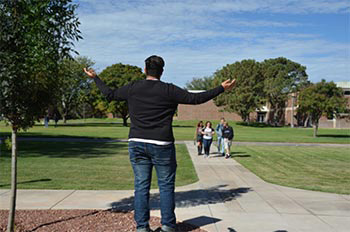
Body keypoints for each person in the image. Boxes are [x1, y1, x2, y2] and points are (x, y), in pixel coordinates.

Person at [84, 55, 236, 232]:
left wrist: (95, 78)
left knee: (141, 186)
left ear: (144, 70)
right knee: (166, 187)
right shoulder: (169, 90)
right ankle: (168, 226)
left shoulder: (133, 87)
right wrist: (221, 88)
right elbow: (196, 99)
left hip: (137, 142)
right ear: (162, 72)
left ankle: (142, 227)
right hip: (162, 144)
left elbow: (109, 94)